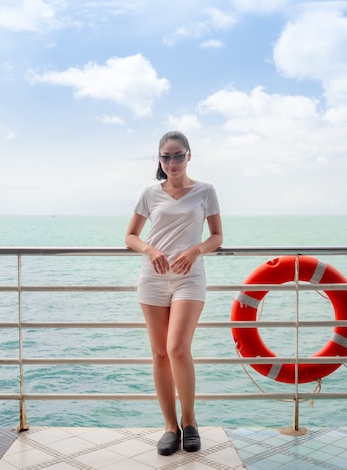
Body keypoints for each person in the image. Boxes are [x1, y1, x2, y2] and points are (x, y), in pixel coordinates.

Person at [125, 131, 223, 456]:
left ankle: (190, 420)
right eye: (166, 157)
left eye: (178, 156)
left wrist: (196, 250)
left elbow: (217, 236)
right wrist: (149, 249)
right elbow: (130, 235)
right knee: (159, 353)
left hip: (189, 279)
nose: (172, 163)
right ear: (159, 159)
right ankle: (170, 426)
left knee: (177, 348)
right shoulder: (149, 194)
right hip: (152, 279)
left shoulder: (205, 191)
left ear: (189, 156)